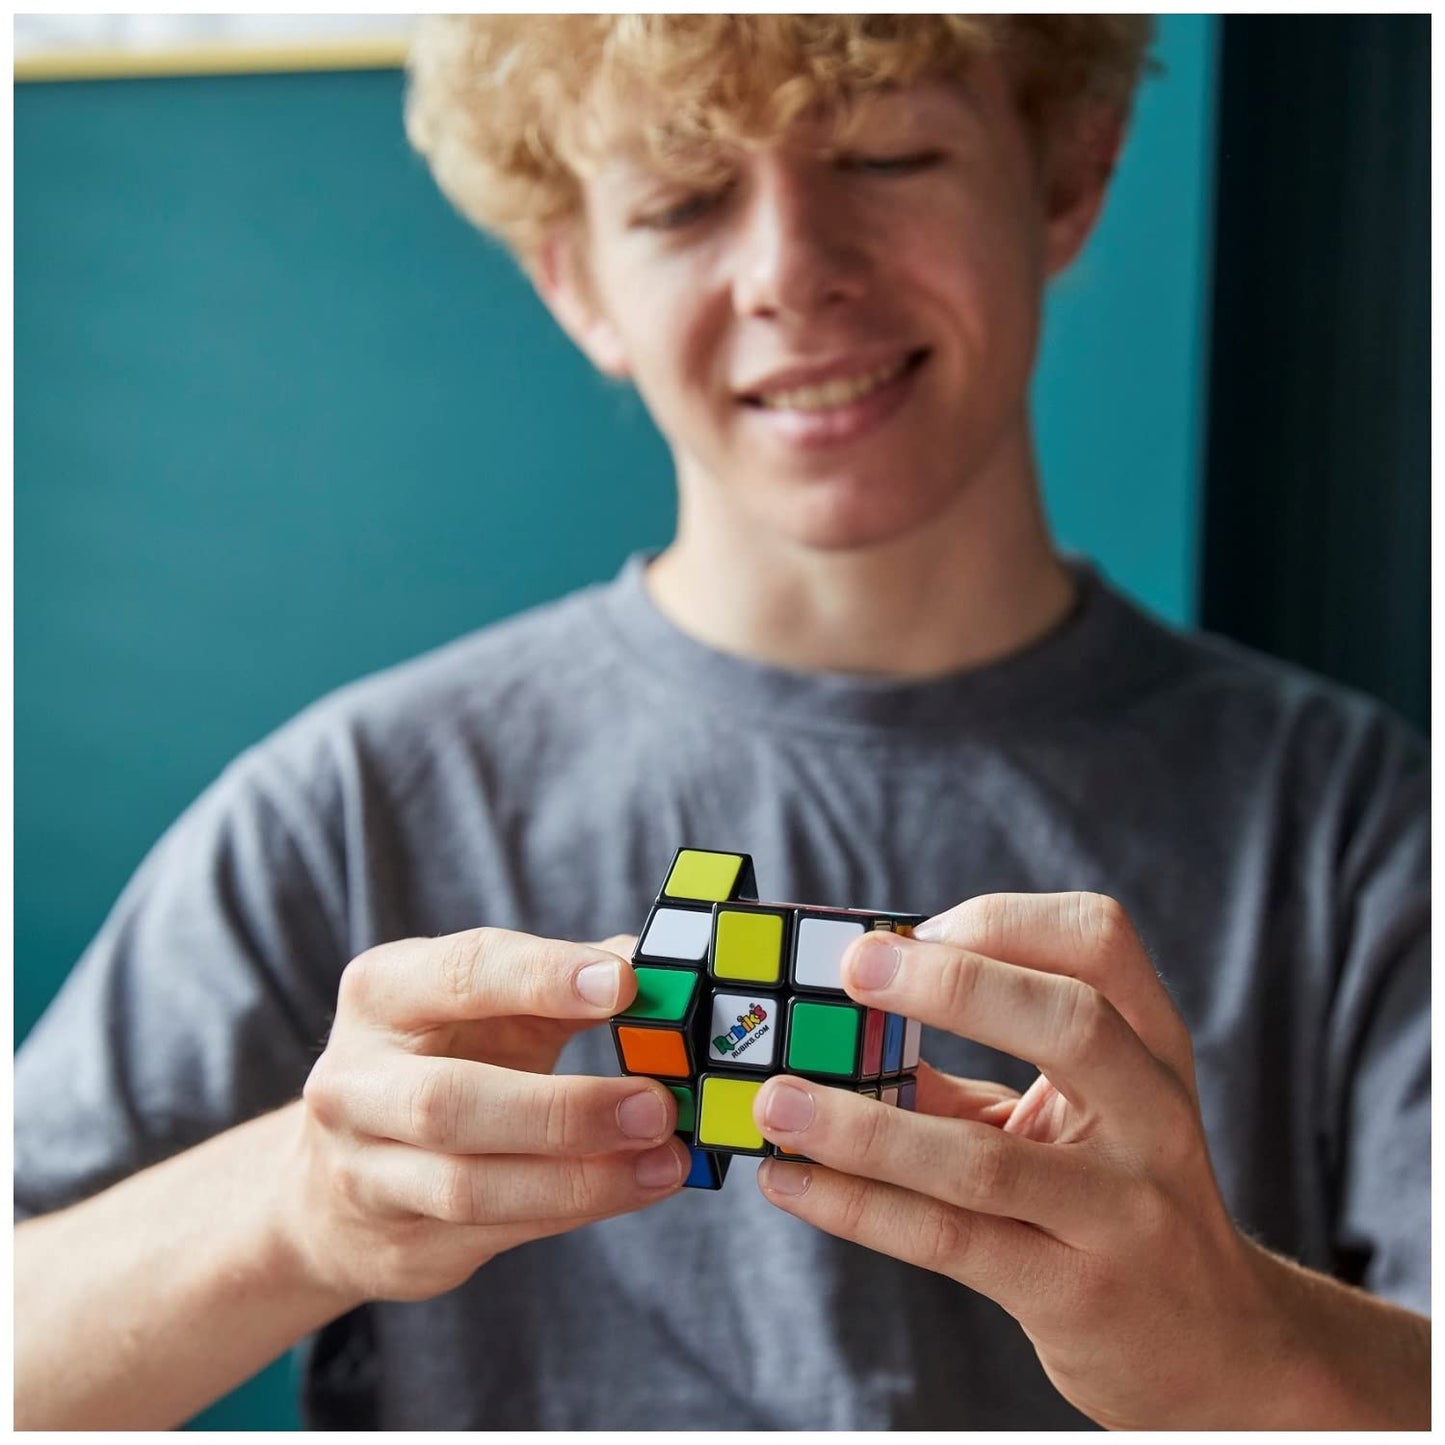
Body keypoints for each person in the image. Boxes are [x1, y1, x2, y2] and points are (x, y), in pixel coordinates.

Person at [14, 14, 1429, 1429]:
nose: (790, 272)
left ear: (1067, 171)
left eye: (884, 155)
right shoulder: (346, 806)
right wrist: (296, 1206)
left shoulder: (1364, 825)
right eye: (683, 196)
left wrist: (1243, 1347)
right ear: (573, 276)